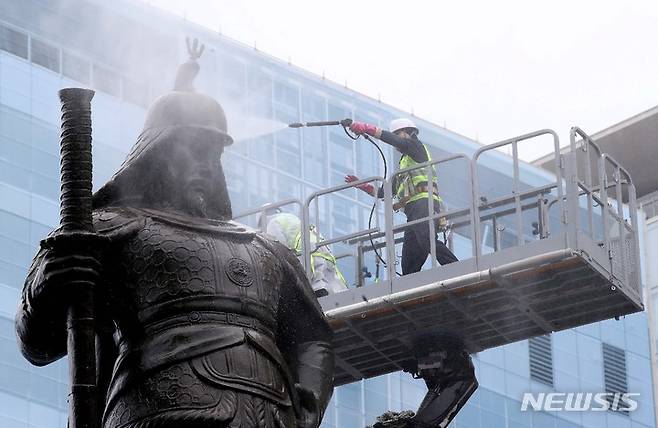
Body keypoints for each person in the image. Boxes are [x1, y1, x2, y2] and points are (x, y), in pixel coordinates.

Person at [15, 42, 334, 428]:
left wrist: (307, 405)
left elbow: (312, 337)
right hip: (160, 413)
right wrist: (51, 279)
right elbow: (38, 342)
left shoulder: (267, 250)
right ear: (158, 153)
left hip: (270, 416)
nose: (202, 164)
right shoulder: (114, 227)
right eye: (191, 149)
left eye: (211, 152)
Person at [345, 118, 458, 275]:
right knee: (410, 257)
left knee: (426, 238)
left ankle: (454, 266)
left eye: (399, 134)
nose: (397, 140)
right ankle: (410, 282)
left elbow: (393, 140)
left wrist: (367, 128)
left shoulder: (417, 148)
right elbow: (383, 194)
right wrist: (362, 186)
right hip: (413, 210)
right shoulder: (404, 166)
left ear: (410, 132)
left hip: (425, 203)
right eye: (396, 135)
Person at [258, 208, 348, 297]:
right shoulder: (291, 217)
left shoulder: (273, 223)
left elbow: (278, 247)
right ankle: (343, 294)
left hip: (306, 252)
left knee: (316, 282)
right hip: (321, 250)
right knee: (331, 279)